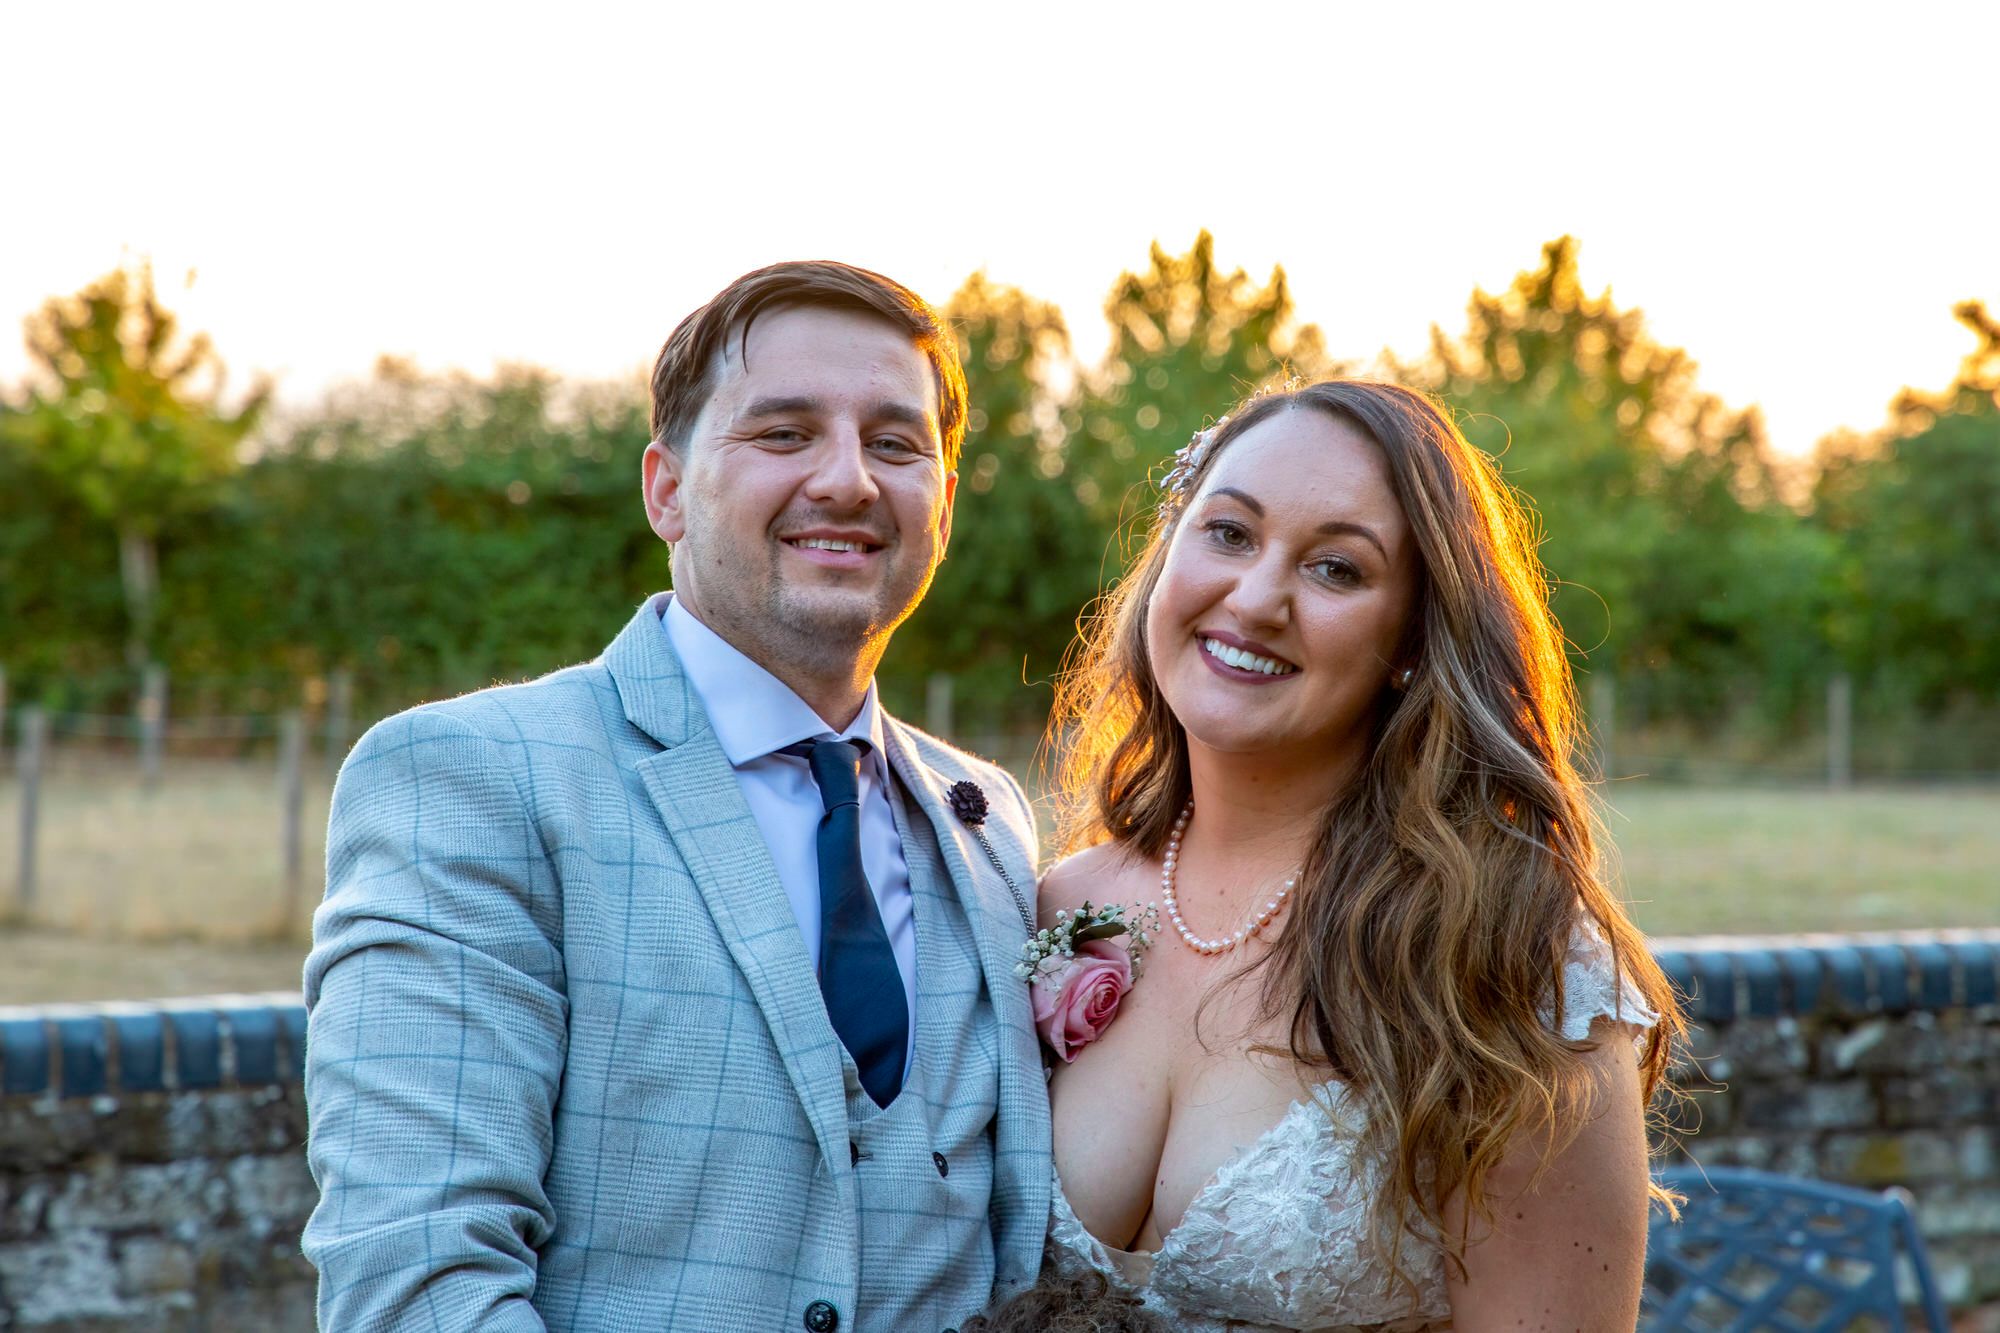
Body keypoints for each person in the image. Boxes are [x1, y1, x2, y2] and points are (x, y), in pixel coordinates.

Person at [301, 260, 1051, 1332]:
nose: (847, 479)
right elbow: (417, 1282)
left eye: (895, 443)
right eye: (783, 433)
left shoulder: (991, 820)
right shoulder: (468, 780)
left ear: (942, 505)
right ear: (665, 488)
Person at [1036, 379, 1682, 1331]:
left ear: (1412, 640)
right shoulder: (1058, 907)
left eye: (1336, 569)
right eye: (1228, 532)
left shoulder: (1510, 958)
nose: (1254, 599)